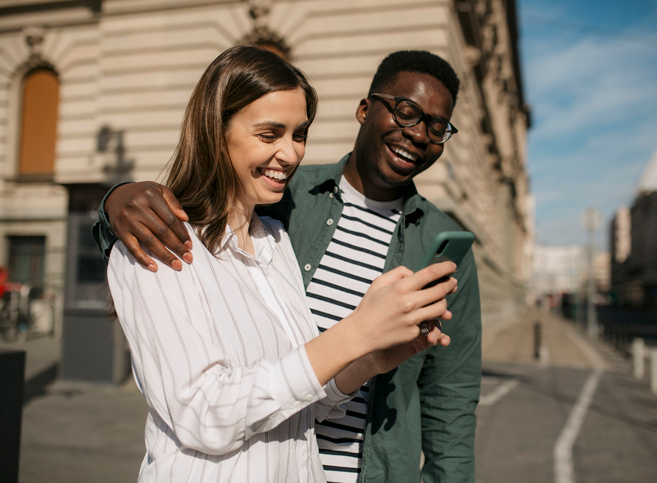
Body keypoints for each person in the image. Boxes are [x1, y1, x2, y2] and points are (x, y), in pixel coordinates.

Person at [95, 50, 482, 483]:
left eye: (300, 134)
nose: (289, 153)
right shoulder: (285, 202)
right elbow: (204, 411)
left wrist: (369, 358)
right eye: (269, 133)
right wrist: (115, 199)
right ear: (365, 109)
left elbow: (447, 395)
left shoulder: (274, 239)